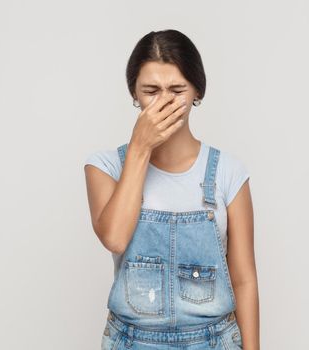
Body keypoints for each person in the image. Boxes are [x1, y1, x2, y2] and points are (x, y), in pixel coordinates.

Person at [84, 29, 259, 350]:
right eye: (151, 90)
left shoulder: (227, 172)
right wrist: (139, 148)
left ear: (196, 92)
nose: (164, 101)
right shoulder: (105, 166)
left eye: (177, 89)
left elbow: (244, 280)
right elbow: (114, 237)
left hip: (213, 341)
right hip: (132, 342)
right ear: (134, 94)